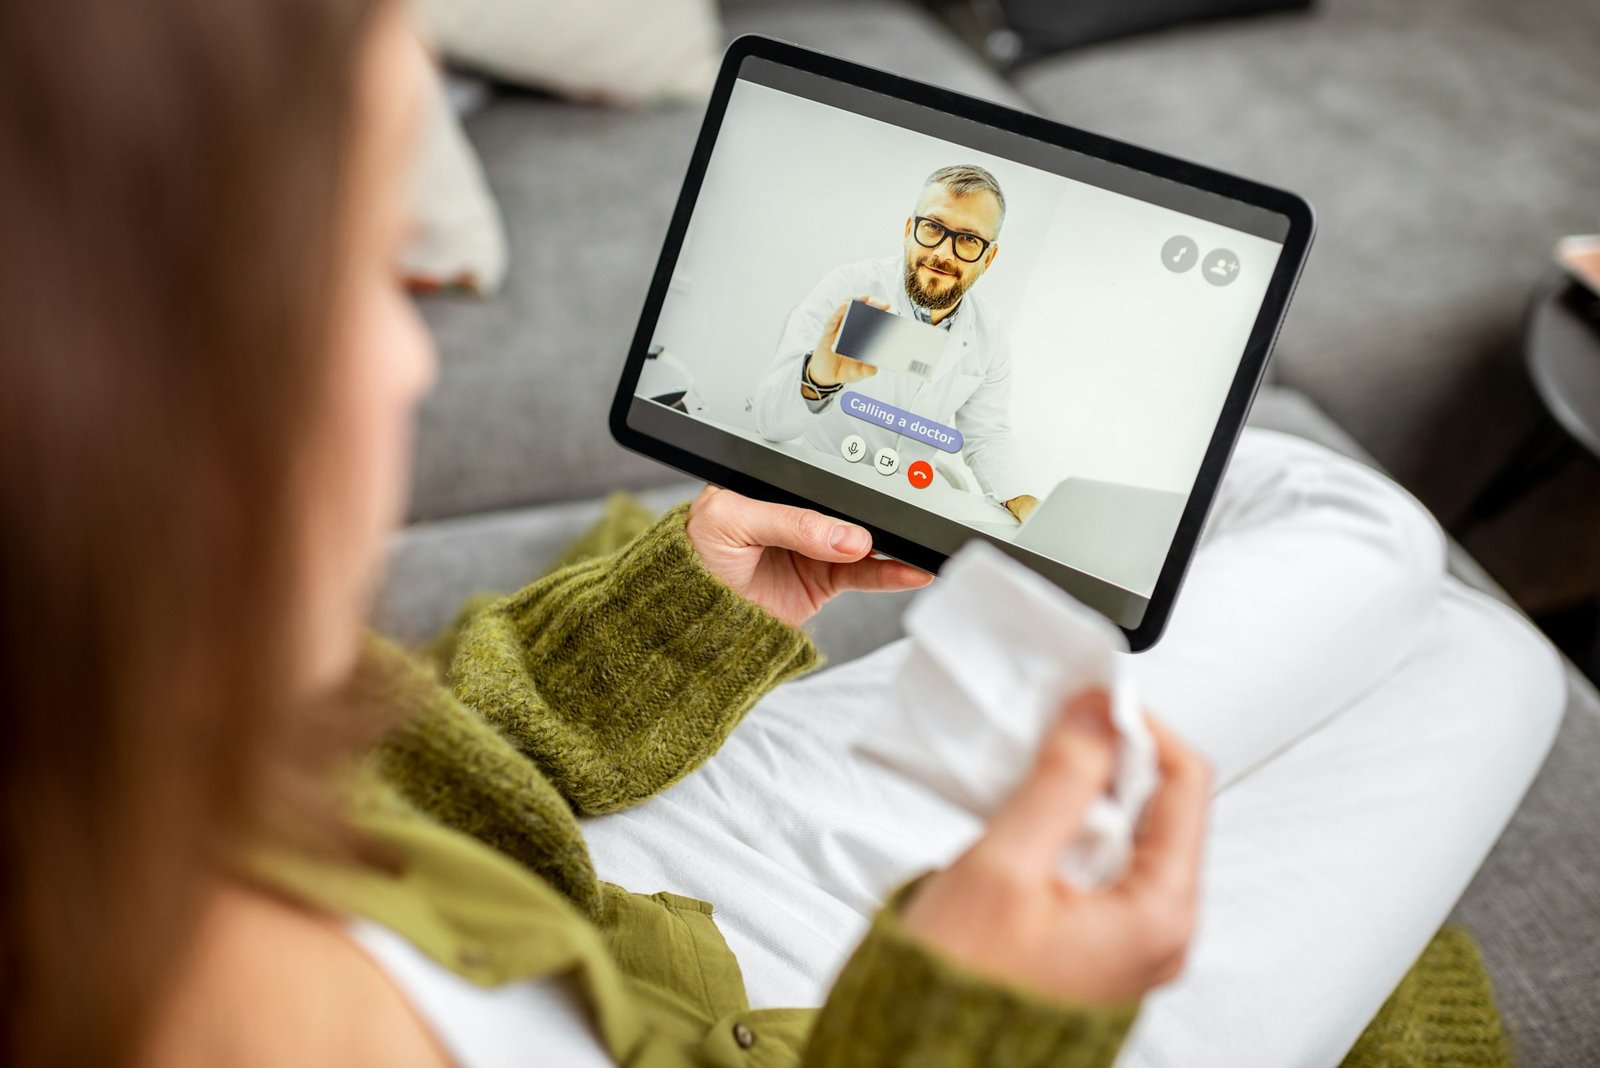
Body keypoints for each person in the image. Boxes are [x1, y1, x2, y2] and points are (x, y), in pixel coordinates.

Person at [0, 3, 1566, 1068]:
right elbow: (806, 387)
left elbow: (411, 772)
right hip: (826, 1007)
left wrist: (662, 616)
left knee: (1367, 531)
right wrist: (964, 1025)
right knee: (1491, 663)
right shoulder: (866, 312)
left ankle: (1157, 493)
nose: (415, 355)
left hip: (646, 873)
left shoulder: (125, 759)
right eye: (361, 274)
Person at [752, 164, 1041, 521]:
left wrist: (1024, 500)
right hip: (814, 488)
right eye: (933, 227)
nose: (944, 254)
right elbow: (769, 420)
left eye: (968, 239)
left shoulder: (989, 335)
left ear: (989, 257)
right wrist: (817, 379)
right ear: (909, 229)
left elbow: (987, 435)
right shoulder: (848, 288)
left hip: (900, 507)